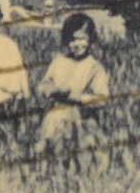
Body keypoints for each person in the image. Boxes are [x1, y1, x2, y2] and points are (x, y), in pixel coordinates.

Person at [36, 12, 110, 151]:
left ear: (90, 40)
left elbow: (102, 98)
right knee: (50, 144)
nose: (76, 44)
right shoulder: (59, 61)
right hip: (57, 114)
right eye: (72, 39)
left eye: (81, 39)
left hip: (82, 117)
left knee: (84, 145)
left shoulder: (94, 67)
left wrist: (77, 98)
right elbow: (44, 84)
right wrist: (51, 91)